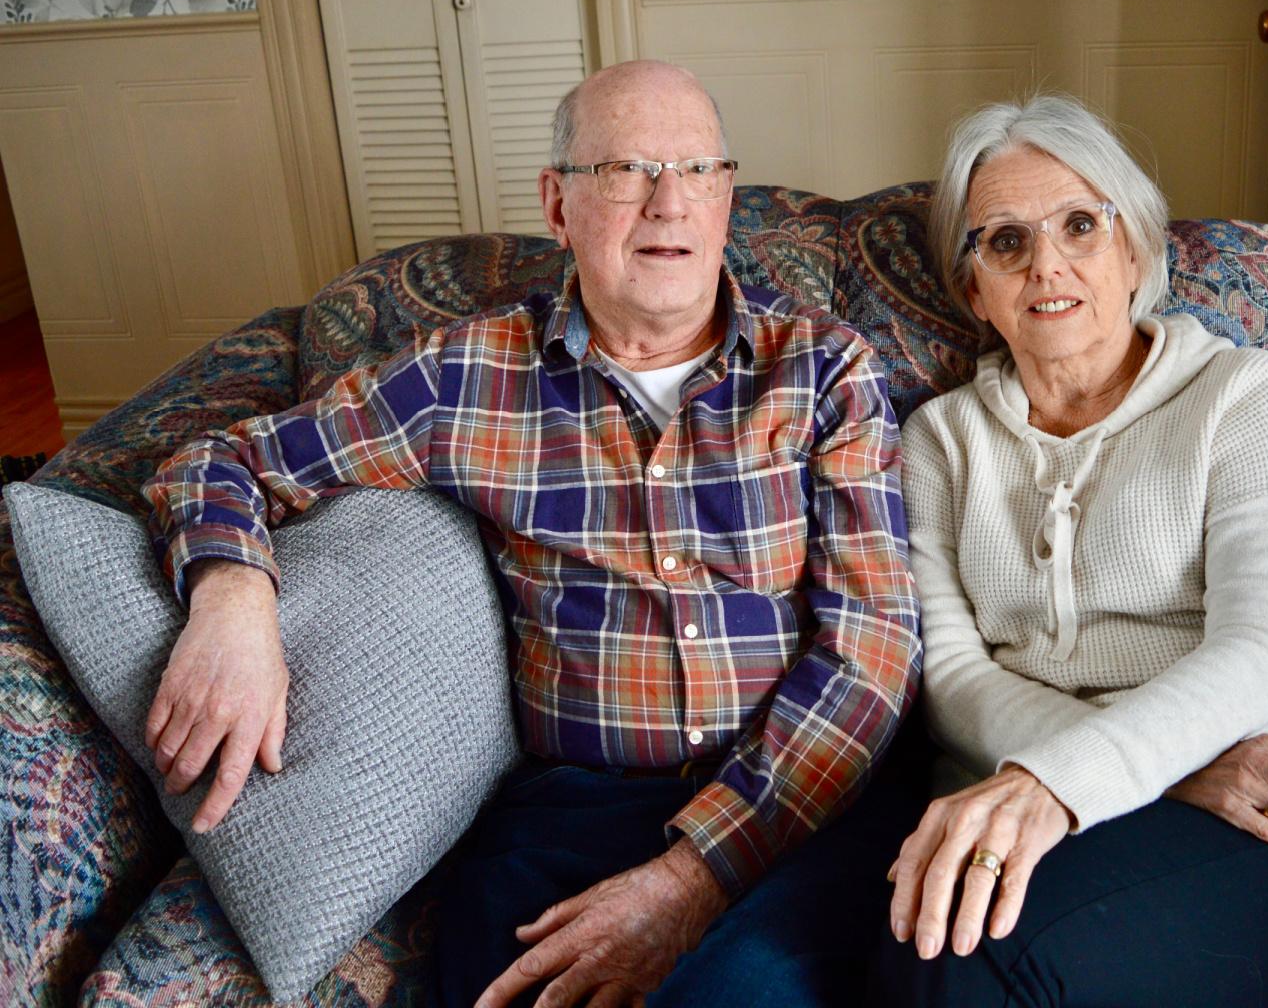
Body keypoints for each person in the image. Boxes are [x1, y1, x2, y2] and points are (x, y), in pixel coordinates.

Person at [139, 60, 924, 1008]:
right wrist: (233, 598)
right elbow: (219, 462)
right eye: (627, 170)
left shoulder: (825, 372)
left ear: (728, 197)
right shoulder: (466, 378)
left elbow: (871, 652)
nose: (670, 204)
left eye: (700, 170)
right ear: (558, 205)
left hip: (797, 797)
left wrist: (691, 878)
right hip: (572, 811)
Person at [877, 95, 1268, 1006]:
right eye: (1006, 241)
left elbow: (1264, 657)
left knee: (965, 968)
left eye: (1080, 226)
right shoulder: (939, 444)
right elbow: (950, 679)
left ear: (1134, 250)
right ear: (974, 288)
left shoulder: (1245, 399)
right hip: (1080, 799)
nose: (1047, 264)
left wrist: (1068, 779)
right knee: (925, 943)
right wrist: (1148, 773)